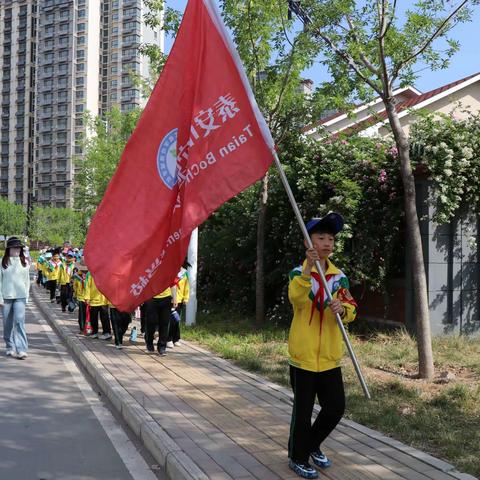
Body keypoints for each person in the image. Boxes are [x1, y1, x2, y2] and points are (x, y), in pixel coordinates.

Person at [287, 213, 357, 479]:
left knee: (335, 407)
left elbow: (351, 309)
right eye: (321, 237)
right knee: (302, 413)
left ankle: (312, 444)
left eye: (331, 238)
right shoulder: (297, 273)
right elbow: (297, 299)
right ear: (309, 241)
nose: (327, 243)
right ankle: (297, 456)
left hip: (329, 356)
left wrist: (344, 309)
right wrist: (307, 272)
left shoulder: (339, 278)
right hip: (303, 357)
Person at [0, 237, 31, 359]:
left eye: (19, 247)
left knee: (19, 322)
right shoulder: (3, 263)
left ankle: (22, 349)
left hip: (20, 297)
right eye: (14, 247)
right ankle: (10, 346)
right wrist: (0, 298)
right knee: (7, 324)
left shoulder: (24, 263)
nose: (17, 249)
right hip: (6, 297)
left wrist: (27, 297)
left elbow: (27, 281)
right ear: (9, 249)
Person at [167, 262, 190, 348]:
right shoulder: (169, 271)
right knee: (170, 321)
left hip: (180, 300)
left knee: (176, 320)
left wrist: (186, 298)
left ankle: (176, 339)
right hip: (170, 300)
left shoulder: (184, 273)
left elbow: (187, 286)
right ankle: (168, 339)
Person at [144, 286, 172, 356]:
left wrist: (175, 297)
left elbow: (173, 283)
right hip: (151, 297)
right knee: (151, 322)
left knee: (164, 323)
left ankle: (162, 347)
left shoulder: (167, 274)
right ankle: (149, 342)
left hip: (166, 297)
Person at [84, 270, 111, 340]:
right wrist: (87, 297)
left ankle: (107, 333)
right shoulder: (89, 273)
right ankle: (94, 332)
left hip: (104, 299)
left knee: (105, 317)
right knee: (93, 317)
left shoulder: (106, 272)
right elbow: (87, 285)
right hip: (93, 299)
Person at [72, 260, 88, 333]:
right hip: (81, 296)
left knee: (89, 314)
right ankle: (82, 328)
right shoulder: (77, 275)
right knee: (82, 313)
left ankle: (89, 328)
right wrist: (75, 294)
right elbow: (75, 286)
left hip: (90, 297)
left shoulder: (91, 275)